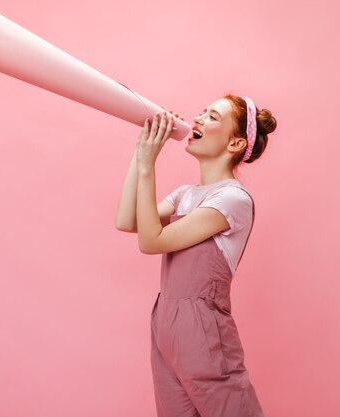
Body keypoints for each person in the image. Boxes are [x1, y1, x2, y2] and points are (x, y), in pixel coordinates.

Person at [115, 94, 277, 417]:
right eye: (203, 112)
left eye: (213, 116)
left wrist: (149, 168)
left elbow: (151, 240)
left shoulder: (233, 199)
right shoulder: (185, 195)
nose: (199, 118)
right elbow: (127, 221)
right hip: (165, 328)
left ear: (235, 144)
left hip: (203, 333)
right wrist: (141, 151)